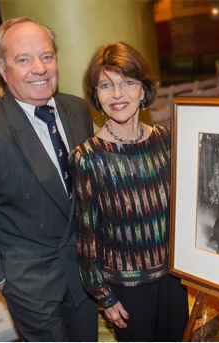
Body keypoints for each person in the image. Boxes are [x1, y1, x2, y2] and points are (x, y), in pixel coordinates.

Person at [0, 17, 97, 342]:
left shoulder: (76, 110)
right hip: (30, 284)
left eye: (46, 56)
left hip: (83, 270)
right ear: (2, 68)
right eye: (23, 59)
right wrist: (4, 280)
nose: (39, 69)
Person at [68, 41, 189, 342]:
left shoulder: (166, 140)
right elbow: (87, 237)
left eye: (128, 82)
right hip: (127, 290)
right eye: (105, 85)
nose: (118, 95)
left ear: (144, 89)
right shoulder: (88, 157)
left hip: (173, 280)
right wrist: (104, 296)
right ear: (96, 96)